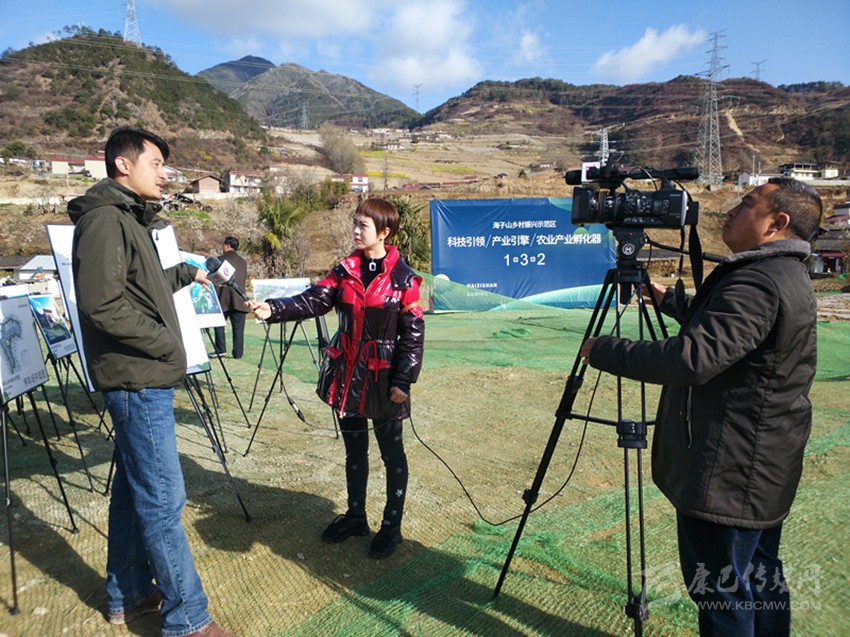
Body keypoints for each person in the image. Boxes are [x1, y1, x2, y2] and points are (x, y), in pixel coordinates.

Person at [579, 178, 822, 637]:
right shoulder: (781, 273)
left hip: (730, 472)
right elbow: (730, 332)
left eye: (746, 203)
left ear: (777, 223)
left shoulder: (758, 281)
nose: (730, 210)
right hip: (760, 464)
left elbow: (692, 359)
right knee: (758, 576)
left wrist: (606, 350)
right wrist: (671, 301)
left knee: (722, 593)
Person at [69, 126, 237, 637]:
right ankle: (187, 618)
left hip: (139, 374)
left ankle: (130, 594)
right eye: (156, 163)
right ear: (124, 164)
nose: (165, 174)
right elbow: (102, 305)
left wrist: (184, 275)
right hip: (138, 378)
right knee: (163, 500)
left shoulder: (127, 219)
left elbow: (141, 289)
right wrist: (167, 345)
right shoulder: (105, 220)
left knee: (131, 493)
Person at [248, 198, 425, 559]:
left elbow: (413, 334)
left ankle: (391, 526)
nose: (356, 230)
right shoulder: (344, 270)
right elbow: (314, 300)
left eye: (363, 225)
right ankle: (356, 517)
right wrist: (274, 308)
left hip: (384, 380)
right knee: (354, 451)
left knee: (392, 454)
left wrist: (403, 381)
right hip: (347, 378)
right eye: (355, 222)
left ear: (384, 232)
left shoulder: (403, 279)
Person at [212, 236, 248, 358]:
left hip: (223, 297)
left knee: (219, 324)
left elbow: (215, 280)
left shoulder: (219, 260)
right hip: (240, 298)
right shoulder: (243, 262)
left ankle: (220, 349)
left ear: (227, 246)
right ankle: (238, 353)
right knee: (239, 329)